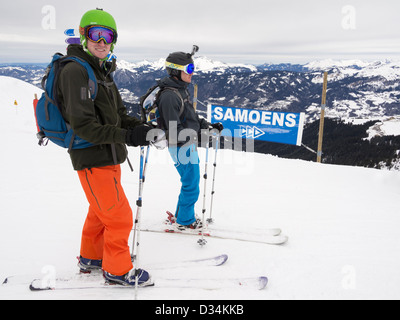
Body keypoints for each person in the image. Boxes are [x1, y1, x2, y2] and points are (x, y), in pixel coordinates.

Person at [57, 8, 152, 287]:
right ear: (85, 36)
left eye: (108, 36)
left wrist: (141, 129)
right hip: (91, 154)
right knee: (119, 215)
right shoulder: (75, 70)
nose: (102, 41)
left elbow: (119, 114)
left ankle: (91, 257)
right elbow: (83, 125)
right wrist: (127, 135)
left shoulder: (102, 71)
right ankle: (118, 270)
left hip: (108, 154)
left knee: (100, 211)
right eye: (95, 34)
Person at [157, 48, 223, 231]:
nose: (192, 73)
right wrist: (202, 137)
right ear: (176, 71)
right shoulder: (170, 96)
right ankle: (185, 221)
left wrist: (207, 126)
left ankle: (181, 215)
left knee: (190, 181)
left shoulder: (181, 91)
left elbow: (190, 118)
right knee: (191, 183)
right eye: (189, 69)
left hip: (187, 144)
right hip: (179, 146)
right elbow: (173, 130)